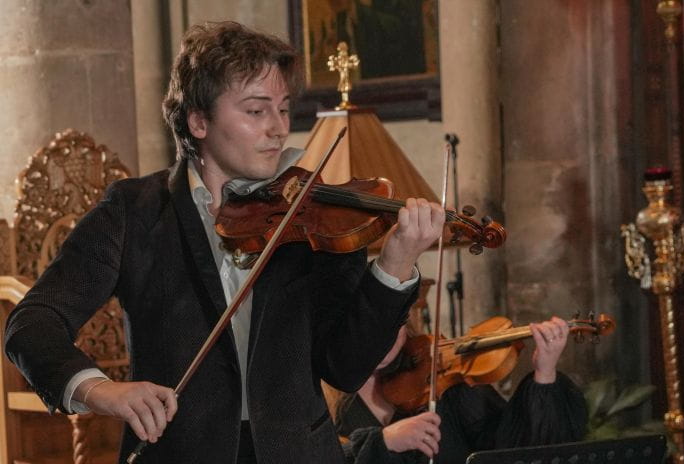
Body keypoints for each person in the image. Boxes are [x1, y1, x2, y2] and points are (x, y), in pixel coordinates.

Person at [3, 21, 445, 463]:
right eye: (256, 111)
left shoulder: (313, 218)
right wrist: (100, 390)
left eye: (284, 109)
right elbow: (32, 323)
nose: (278, 129)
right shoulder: (134, 212)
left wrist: (394, 265)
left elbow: (345, 367)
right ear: (198, 120)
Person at [331, 317, 588, 464]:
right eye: (367, 325)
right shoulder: (322, 395)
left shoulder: (444, 381)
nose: (381, 339)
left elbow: (508, 450)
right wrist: (382, 442)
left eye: (393, 323)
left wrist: (545, 373)